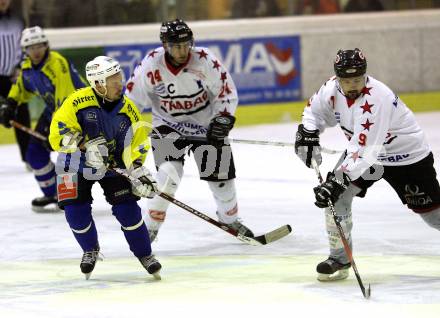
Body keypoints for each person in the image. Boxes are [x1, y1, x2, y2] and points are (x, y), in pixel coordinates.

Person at [294, 48, 440, 281]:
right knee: (337, 197)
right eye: (347, 80)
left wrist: (336, 181)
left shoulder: (377, 98)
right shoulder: (330, 89)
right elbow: (313, 111)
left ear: (365, 75)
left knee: (433, 217)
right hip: (367, 157)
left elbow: (365, 153)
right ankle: (339, 258)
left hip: (405, 158)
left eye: (357, 79)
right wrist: (308, 133)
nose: (352, 85)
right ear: (338, 78)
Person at [125, 19, 254, 241]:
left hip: (206, 127)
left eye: (186, 45)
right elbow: (132, 100)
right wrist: (120, 125)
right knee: (167, 176)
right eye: (176, 46)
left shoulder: (204, 60)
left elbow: (226, 91)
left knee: (220, 178)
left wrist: (222, 119)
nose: (182, 50)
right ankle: (150, 227)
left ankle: (230, 219)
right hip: (167, 126)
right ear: (165, 45)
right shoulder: (151, 64)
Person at [48, 55, 162, 280]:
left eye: (119, 75)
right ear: (98, 83)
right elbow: (56, 135)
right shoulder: (76, 102)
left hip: (112, 166)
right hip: (74, 165)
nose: (119, 82)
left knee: (128, 209)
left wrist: (136, 168)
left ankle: (145, 254)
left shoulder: (128, 109)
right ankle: (90, 249)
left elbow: (137, 142)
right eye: (113, 78)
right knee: (75, 213)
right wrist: (82, 145)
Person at [0, 26, 87, 212]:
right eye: (31, 47)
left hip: (80, 113)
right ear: (25, 50)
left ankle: (71, 195)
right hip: (54, 112)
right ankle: (54, 193)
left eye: (39, 45)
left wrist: (55, 132)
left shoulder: (58, 64)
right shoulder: (28, 67)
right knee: (34, 153)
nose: (36, 51)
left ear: (46, 45)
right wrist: (10, 104)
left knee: (69, 156)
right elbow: (21, 88)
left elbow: (65, 102)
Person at [0, 0, 30, 168]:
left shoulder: (18, 20)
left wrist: (20, 68)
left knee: (21, 115)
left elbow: (25, 46)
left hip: (13, 77)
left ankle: (27, 157)